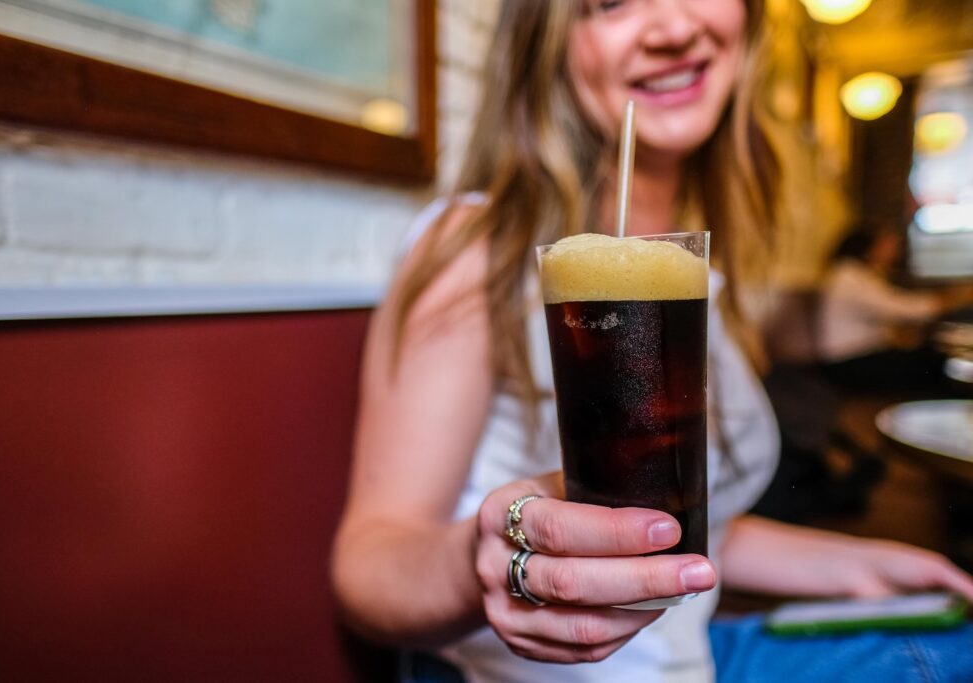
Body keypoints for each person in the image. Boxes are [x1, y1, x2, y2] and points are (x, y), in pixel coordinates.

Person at [331, 2, 973, 682]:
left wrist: (857, 563)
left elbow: (678, 527)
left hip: (692, 658)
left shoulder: (690, 276)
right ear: (550, 42)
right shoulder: (479, 248)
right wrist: (487, 558)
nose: (671, 28)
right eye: (611, 2)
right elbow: (367, 570)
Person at [818, 226, 973, 392]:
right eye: (887, 245)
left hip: (860, 357)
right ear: (867, 247)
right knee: (939, 364)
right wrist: (956, 298)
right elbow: (905, 309)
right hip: (850, 364)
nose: (894, 251)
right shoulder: (849, 276)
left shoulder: (857, 273)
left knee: (935, 357)